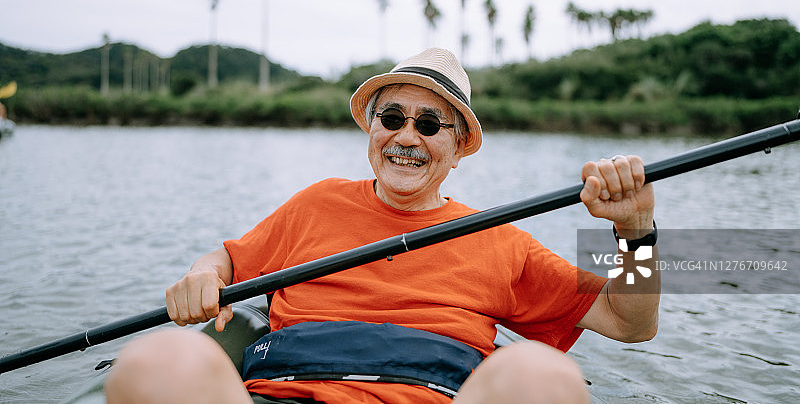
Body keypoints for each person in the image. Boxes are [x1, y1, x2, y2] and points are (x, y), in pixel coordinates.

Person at [106, 48, 659, 404]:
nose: (406, 138)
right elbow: (228, 261)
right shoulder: (315, 203)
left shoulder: (501, 239)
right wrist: (202, 273)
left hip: (433, 394)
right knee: (160, 360)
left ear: (460, 147)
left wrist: (635, 230)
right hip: (287, 394)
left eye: (429, 124)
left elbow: (629, 321)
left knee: (545, 377)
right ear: (371, 129)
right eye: (391, 118)